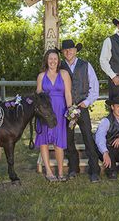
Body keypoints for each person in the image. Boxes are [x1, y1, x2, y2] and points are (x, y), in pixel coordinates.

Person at [58, 39, 101, 183]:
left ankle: (94, 169)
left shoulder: (85, 65)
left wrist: (87, 102)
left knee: (88, 137)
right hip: (67, 109)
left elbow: (94, 88)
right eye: (65, 50)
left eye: (71, 49)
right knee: (68, 139)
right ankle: (73, 168)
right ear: (63, 53)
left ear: (76, 51)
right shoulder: (59, 67)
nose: (68, 52)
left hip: (82, 108)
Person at [34, 49, 73, 182]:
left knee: (59, 142)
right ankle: (49, 172)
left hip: (60, 110)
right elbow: (38, 96)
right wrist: (40, 112)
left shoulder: (64, 74)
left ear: (58, 60)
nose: (53, 61)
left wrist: (71, 110)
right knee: (44, 141)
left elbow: (68, 93)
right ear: (46, 60)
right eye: (50, 59)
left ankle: (61, 172)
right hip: (46, 112)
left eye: (55, 59)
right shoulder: (41, 76)